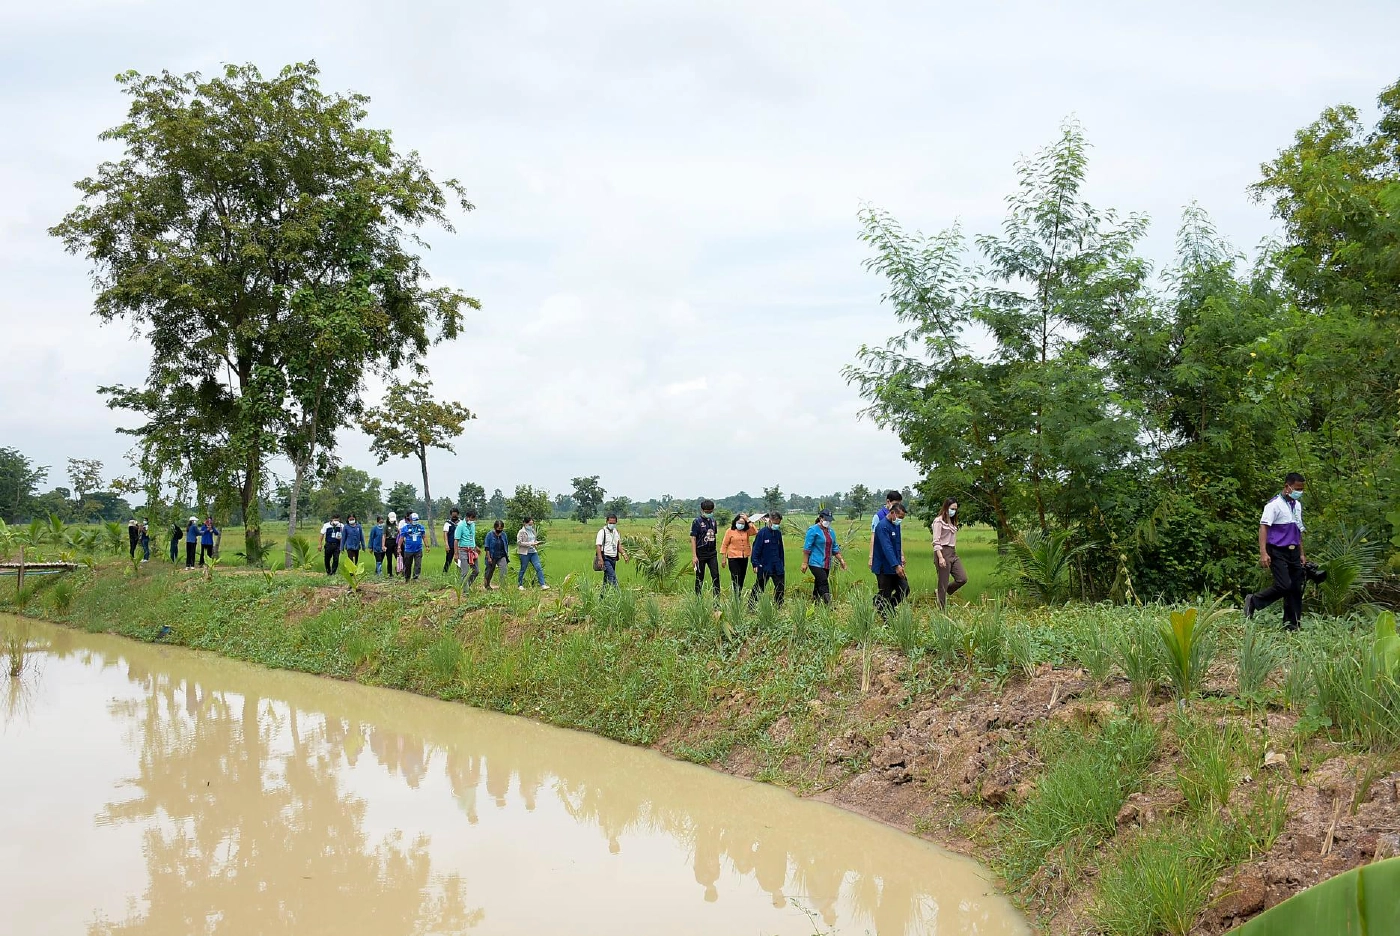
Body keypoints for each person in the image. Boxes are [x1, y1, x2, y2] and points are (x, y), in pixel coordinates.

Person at [1244, 472, 1308, 630]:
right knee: (1284, 585)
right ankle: (1253, 601)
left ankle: (1292, 625)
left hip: (1293, 551)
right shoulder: (1274, 505)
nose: (1300, 492)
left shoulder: (1297, 506)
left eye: (1302, 489)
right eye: (1297, 488)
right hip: (1277, 550)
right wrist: (1263, 552)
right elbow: (1263, 527)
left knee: (1295, 588)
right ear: (1287, 487)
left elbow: (1298, 530)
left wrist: (1301, 553)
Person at [802, 509, 847, 605]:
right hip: (815, 562)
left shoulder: (831, 532)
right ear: (820, 518)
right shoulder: (813, 530)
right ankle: (829, 605)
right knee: (823, 581)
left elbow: (834, 548)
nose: (828, 522)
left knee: (818, 584)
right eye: (826, 519)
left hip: (826, 563)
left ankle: (815, 603)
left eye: (829, 520)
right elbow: (807, 548)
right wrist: (804, 563)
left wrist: (841, 560)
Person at [873, 502, 909, 615]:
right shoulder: (882, 526)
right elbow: (887, 547)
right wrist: (896, 565)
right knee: (886, 594)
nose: (900, 520)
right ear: (892, 513)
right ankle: (887, 619)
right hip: (884, 567)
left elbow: (897, 545)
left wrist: (900, 562)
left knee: (904, 589)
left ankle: (886, 607)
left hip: (895, 565)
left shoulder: (896, 525)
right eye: (900, 517)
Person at [932, 498, 968, 609]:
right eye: (952, 508)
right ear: (946, 508)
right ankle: (942, 611)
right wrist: (940, 557)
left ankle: (941, 592)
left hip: (952, 552)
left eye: (955, 509)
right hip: (942, 552)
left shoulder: (952, 522)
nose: (954, 511)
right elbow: (936, 541)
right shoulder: (938, 521)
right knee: (943, 581)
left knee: (962, 578)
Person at [750, 511, 786, 605]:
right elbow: (756, 550)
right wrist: (755, 563)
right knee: (759, 586)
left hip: (777, 565)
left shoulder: (778, 533)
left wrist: (782, 564)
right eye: (775, 523)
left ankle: (778, 606)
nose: (776, 525)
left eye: (778, 523)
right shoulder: (762, 533)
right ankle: (752, 605)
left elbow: (781, 550)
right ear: (770, 521)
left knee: (780, 587)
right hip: (764, 564)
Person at [867, 490, 904, 572]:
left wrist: (901, 555)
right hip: (882, 557)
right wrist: (871, 557)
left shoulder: (897, 517)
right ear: (888, 502)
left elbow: (898, 539)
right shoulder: (878, 516)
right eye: (895, 504)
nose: (898, 506)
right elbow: (873, 537)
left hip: (895, 558)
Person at [721, 513, 758, 594]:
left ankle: (739, 594)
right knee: (735, 577)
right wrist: (723, 558)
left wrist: (748, 520)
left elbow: (755, 531)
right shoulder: (730, 531)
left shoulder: (747, 531)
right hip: (733, 557)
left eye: (742, 523)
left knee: (742, 577)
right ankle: (735, 595)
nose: (740, 525)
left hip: (744, 557)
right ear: (735, 522)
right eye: (739, 523)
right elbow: (724, 544)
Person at [690, 499, 720, 596]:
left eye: (711, 512)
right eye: (707, 512)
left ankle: (716, 601)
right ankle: (698, 599)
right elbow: (693, 538)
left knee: (715, 576)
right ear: (702, 510)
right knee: (700, 577)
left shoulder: (713, 521)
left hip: (712, 553)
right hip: (700, 553)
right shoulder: (697, 522)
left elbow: (714, 535)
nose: (709, 513)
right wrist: (694, 556)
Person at [595, 512, 626, 588]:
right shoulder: (602, 532)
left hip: (613, 558)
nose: (612, 524)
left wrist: (624, 554)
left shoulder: (616, 532)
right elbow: (598, 546)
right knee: (612, 576)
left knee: (606, 579)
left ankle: (602, 598)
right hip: (605, 558)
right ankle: (619, 595)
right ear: (607, 522)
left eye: (613, 523)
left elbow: (618, 545)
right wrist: (600, 559)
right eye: (610, 522)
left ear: (616, 523)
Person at [516, 517, 548, 590]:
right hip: (525, 553)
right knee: (523, 568)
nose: (530, 526)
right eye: (529, 524)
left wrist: (536, 543)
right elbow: (519, 542)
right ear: (525, 523)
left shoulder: (533, 531)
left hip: (533, 552)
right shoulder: (521, 532)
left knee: (538, 567)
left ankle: (542, 584)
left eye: (532, 524)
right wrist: (530, 544)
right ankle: (520, 585)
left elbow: (534, 540)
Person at [455, 508, 479, 588]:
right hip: (463, 551)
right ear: (468, 517)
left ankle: (467, 585)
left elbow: (472, 537)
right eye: (472, 518)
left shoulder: (472, 525)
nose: (473, 520)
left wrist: (475, 547)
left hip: (472, 550)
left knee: (476, 571)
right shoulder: (460, 526)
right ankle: (465, 590)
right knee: (464, 572)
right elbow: (456, 540)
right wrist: (456, 554)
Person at [484, 520, 510, 590]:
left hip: (501, 555)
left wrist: (507, 554)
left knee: (503, 570)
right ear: (495, 528)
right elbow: (487, 547)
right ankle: (487, 585)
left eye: (501, 529)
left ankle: (503, 586)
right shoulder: (489, 535)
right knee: (490, 571)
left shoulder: (504, 535)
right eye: (498, 529)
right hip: (492, 556)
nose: (500, 530)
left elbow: (506, 545)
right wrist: (489, 558)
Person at [401, 512, 426, 582]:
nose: (415, 521)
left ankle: (415, 577)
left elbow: (424, 537)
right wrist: (399, 547)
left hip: (418, 549)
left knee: (418, 564)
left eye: (416, 520)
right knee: (408, 564)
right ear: (410, 520)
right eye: (414, 520)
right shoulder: (405, 528)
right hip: (408, 549)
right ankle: (407, 578)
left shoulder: (421, 527)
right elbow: (401, 538)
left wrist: (427, 546)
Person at [443, 508, 461, 574]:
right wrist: (446, 544)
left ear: (458, 515)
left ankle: (459, 574)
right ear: (451, 515)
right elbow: (445, 534)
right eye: (453, 515)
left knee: (459, 561)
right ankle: (444, 573)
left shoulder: (461, 523)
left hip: (459, 545)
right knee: (448, 560)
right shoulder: (447, 523)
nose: (454, 517)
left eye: (455, 515)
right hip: (450, 545)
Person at [384, 512, 398, 576]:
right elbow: (384, 536)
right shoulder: (386, 525)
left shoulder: (396, 524)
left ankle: (399, 571)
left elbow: (399, 533)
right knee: (389, 559)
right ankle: (390, 573)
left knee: (398, 557)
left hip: (395, 542)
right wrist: (383, 545)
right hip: (388, 542)